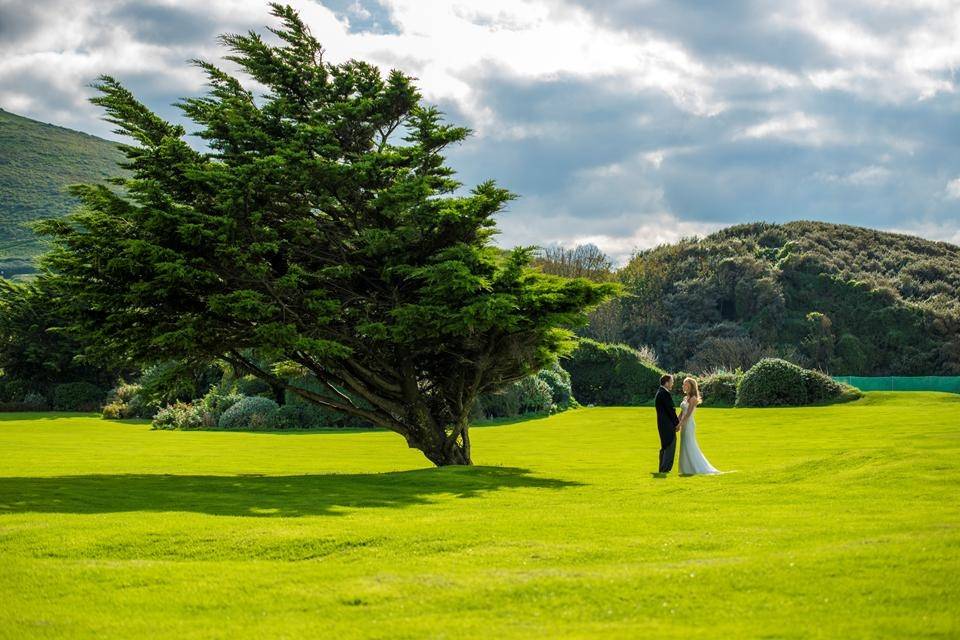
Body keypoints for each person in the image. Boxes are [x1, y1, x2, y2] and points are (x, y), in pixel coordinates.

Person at [677, 377, 721, 475]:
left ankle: (695, 467)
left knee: (689, 444)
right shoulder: (685, 398)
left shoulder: (693, 399)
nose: (684, 386)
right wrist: (676, 422)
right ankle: (686, 469)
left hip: (689, 424)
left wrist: (680, 424)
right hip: (684, 424)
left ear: (690, 386)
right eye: (684, 384)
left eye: (686, 384)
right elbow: (681, 413)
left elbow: (688, 414)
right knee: (684, 444)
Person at [654, 374, 680, 473]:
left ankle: (662, 467)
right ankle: (665, 468)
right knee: (670, 444)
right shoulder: (664, 393)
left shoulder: (660, 392)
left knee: (665, 445)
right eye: (671, 382)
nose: (672, 384)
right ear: (667, 382)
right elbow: (671, 410)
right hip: (667, 424)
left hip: (662, 424)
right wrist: (677, 423)